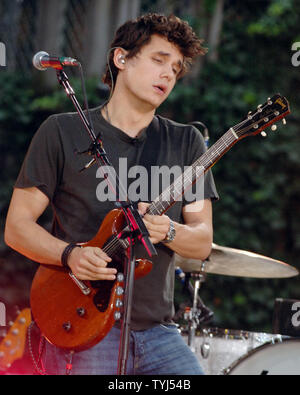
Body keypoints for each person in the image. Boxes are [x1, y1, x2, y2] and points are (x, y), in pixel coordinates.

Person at [4, 13, 218, 375]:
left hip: (158, 331)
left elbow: (202, 242)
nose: (168, 74)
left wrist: (168, 230)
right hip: (85, 323)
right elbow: (17, 228)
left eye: (176, 68)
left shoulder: (186, 142)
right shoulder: (62, 132)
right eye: (158, 60)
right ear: (121, 59)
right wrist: (70, 254)